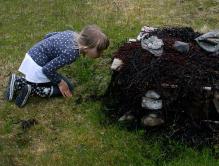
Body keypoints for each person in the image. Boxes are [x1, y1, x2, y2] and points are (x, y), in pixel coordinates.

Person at [5, 25, 109, 107]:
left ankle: (19, 82)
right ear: (87, 47)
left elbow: (48, 35)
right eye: (99, 51)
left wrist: (47, 52)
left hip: (31, 55)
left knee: (63, 83)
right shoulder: (72, 53)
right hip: (38, 67)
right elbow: (47, 69)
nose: (101, 54)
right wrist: (60, 82)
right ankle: (28, 87)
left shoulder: (71, 33)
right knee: (68, 88)